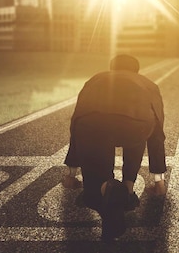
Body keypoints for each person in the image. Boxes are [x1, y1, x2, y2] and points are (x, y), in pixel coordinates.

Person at [62, 54, 167, 241]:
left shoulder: (95, 80)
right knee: (139, 133)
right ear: (136, 70)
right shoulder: (149, 84)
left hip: (91, 125)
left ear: (111, 68)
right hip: (136, 125)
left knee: (93, 192)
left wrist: (71, 172)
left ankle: (107, 187)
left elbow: (76, 122)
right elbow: (157, 132)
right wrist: (158, 178)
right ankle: (127, 188)